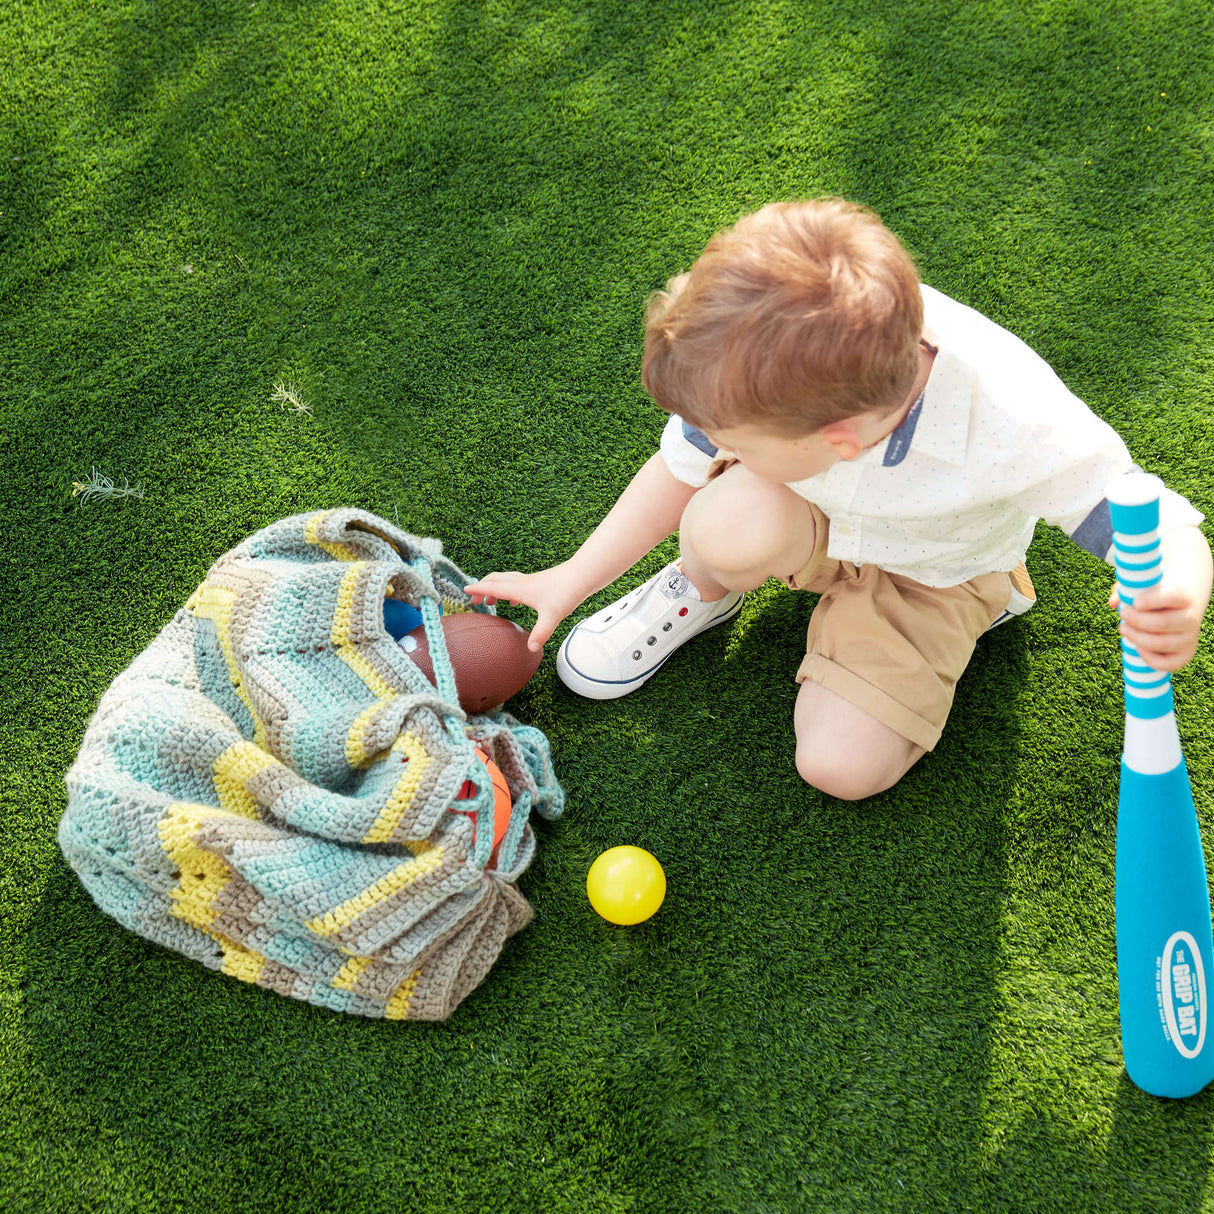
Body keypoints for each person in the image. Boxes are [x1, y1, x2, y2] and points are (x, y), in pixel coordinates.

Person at [466, 198, 1212, 800]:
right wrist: (573, 575)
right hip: (813, 520)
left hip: (936, 573)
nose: (713, 443)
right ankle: (703, 588)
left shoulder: (1014, 420)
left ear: (839, 439)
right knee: (726, 521)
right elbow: (681, 469)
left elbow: (1156, 520)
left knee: (839, 768)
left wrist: (1177, 590)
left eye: (733, 439)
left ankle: (985, 602)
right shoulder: (756, 363)